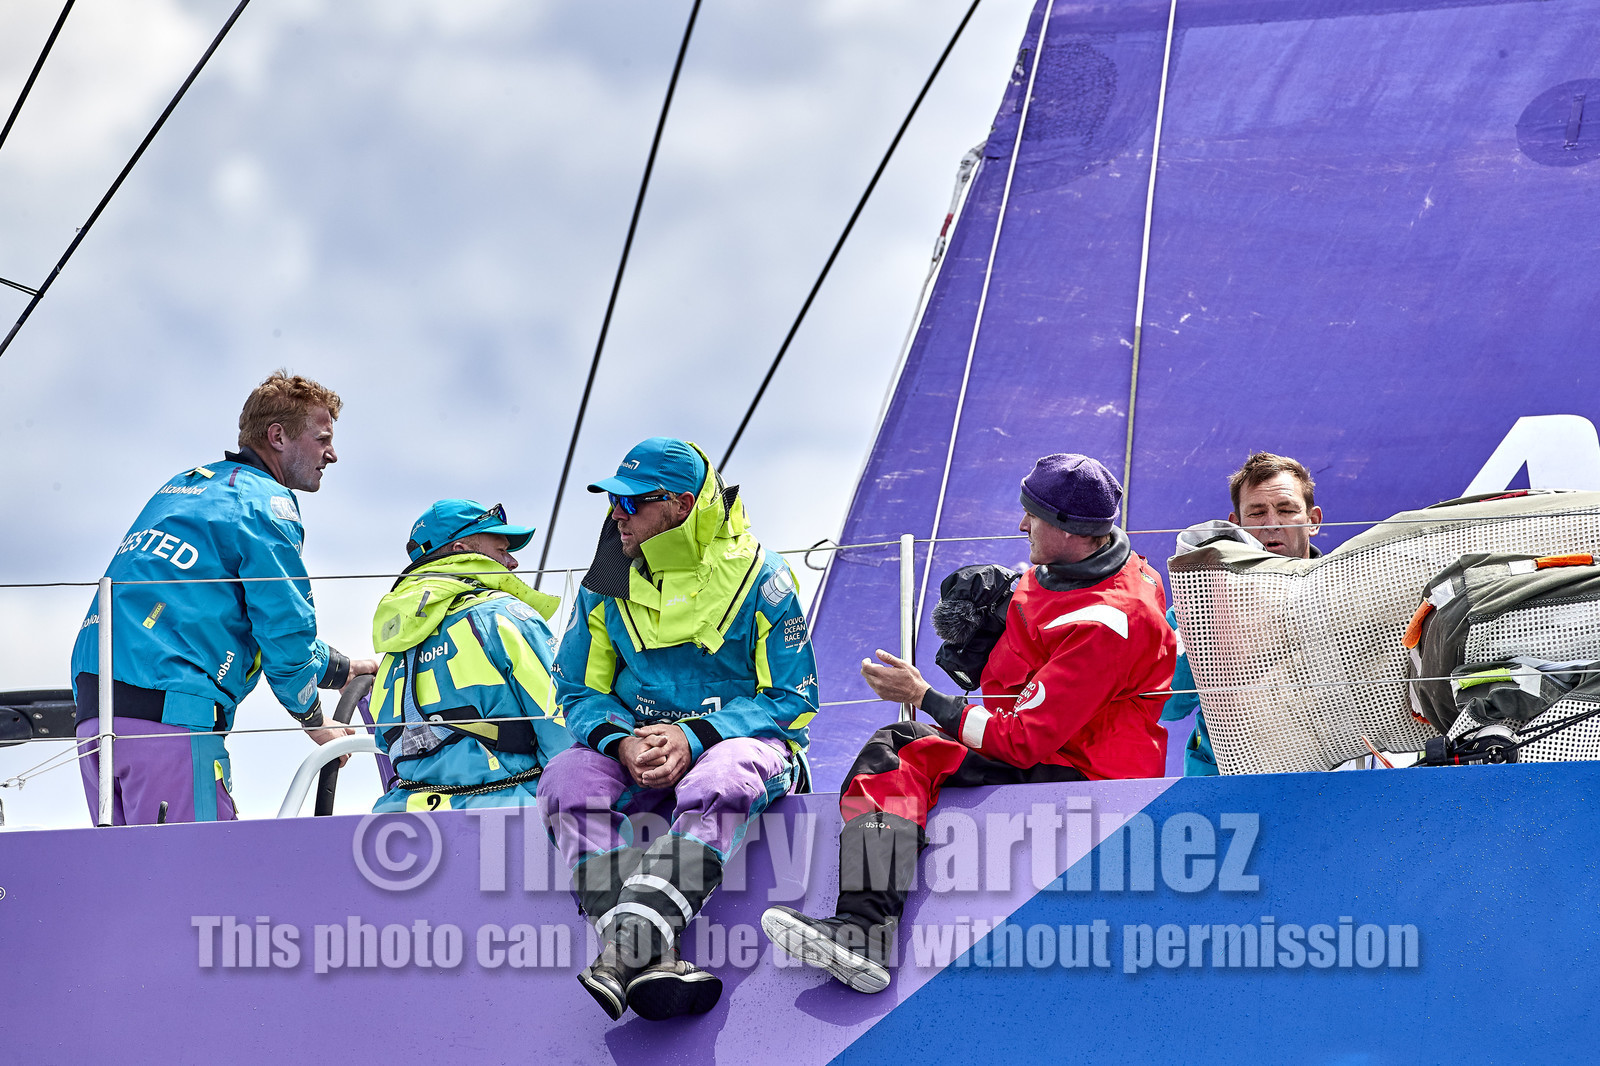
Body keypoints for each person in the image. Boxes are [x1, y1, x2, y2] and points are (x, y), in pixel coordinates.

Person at [761, 453, 1175, 993]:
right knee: (911, 744)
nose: (1021, 525)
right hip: (1064, 747)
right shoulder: (1099, 565)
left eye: (1033, 516)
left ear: (1073, 531)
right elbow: (1051, 646)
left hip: (1087, 776)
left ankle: (862, 932)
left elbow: (1023, 740)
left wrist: (925, 696)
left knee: (903, 748)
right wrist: (1008, 598)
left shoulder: (1112, 623)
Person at [538, 437, 816, 1022]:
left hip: (737, 749)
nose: (618, 514)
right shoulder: (604, 582)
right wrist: (622, 740)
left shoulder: (764, 576)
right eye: (614, 502)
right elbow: (576, 691)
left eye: (634, 504)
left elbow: (794, 698)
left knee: (725, 771)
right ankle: (651, 952)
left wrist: (695, 737)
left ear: (682, 505)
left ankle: (621, 950)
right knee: (566, 774)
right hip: (636, 749)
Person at [69, 371, 376, 824]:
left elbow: (212, 609)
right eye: (322, 438)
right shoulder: (264, 503)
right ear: (278, 436)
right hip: (171, 723)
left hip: (98, 721)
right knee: (203, 886)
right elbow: (283, 628)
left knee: (136, 886)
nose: (332, 454)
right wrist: (316, 721)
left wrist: (339, 668)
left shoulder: (186, 487)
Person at [367, 500, 572, 811]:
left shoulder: (395, 645)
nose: (513, 562)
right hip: (507, 813)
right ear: (461, 550)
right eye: (502, 550)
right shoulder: (503, 616)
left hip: (402, 817)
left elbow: (386, 742)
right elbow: (562, 729)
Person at [1161, 452, 1322, 775]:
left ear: (1313, 520)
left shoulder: (1344, 589)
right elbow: (1166, 705)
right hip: (1225, 786)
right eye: (1257, 512)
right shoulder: (1199, 600)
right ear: (1236, 525)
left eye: (1287, 510)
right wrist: (1207, 620)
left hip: (1328, 781)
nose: (1271, 523)